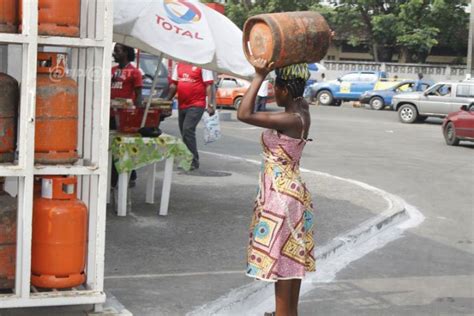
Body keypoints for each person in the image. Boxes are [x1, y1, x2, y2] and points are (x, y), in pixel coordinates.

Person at [237, 59, 315, 316]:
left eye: (275, 88)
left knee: (283, 264)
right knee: (292, 261)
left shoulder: (289, 119)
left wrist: (259, 76)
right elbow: (297, 76)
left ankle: (283, 314)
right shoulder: (302, 110)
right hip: (294, 193)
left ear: (285, 90)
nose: (272, 92)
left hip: (280, 197)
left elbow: (244, 113)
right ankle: (288, 313)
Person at [167, 63, 215, 170]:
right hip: (182, 104)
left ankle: (193, 161)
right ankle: (187, 158)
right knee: (184, 132)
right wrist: (167, 100)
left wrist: (210, 104)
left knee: (187, 129)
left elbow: (209, 85)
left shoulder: (203, 66)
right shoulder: (179, 65)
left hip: (197, 104)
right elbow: (174, 84)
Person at [110, 43, 143, 187]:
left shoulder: (135, 72)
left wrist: (136, 113)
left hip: (125, 117)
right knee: (111, 146)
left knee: (124, 146)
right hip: (110, 114)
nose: (114, 54)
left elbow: (139, 95)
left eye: (117, 51)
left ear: (125, 53)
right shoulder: (112, 70)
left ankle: (130, 174)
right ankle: (114, 177)